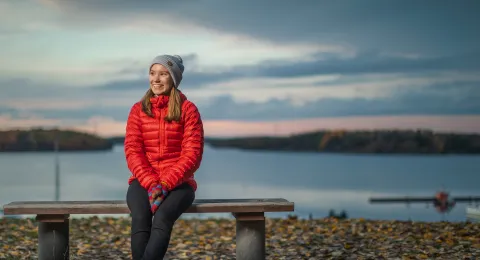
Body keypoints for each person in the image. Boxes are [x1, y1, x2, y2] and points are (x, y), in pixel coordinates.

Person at [124, 54, 204, 260]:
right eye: (152, 73)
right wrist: (151, 183)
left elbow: (192, 154)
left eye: (163, 74)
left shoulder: (188, 110)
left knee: (162, 217)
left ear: (174, 79)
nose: (156, 79)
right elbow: (133, 150)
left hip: (179, 184)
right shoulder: (138, 110)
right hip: (143, 181)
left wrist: (166, 183)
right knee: (140, 217)